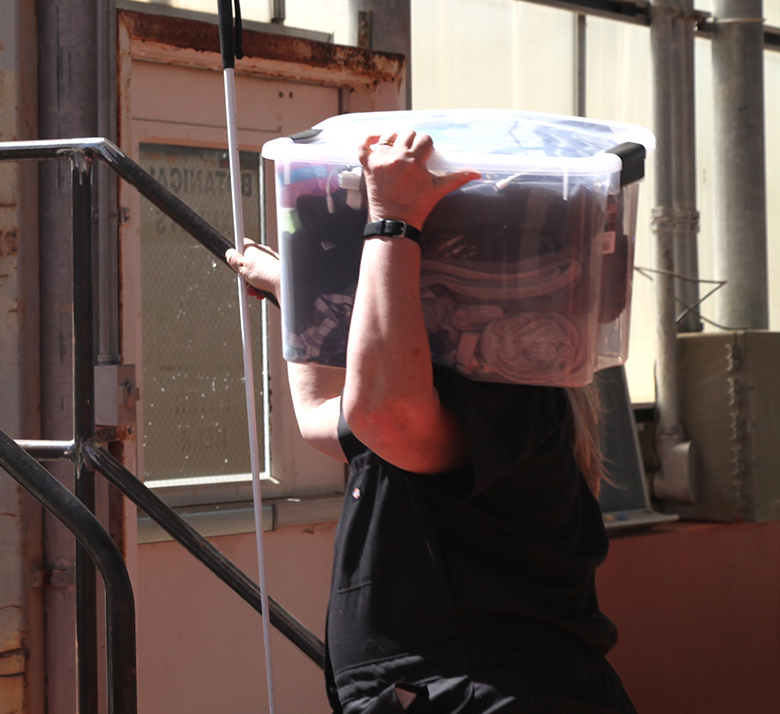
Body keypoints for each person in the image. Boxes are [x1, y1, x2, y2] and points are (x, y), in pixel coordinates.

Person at [229, 130, 634, 714]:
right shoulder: (439, 386)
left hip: (485, 693)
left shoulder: (505, 385)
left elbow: (385, 414)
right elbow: (328, 419)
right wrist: (306, 294)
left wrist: (392, 221)